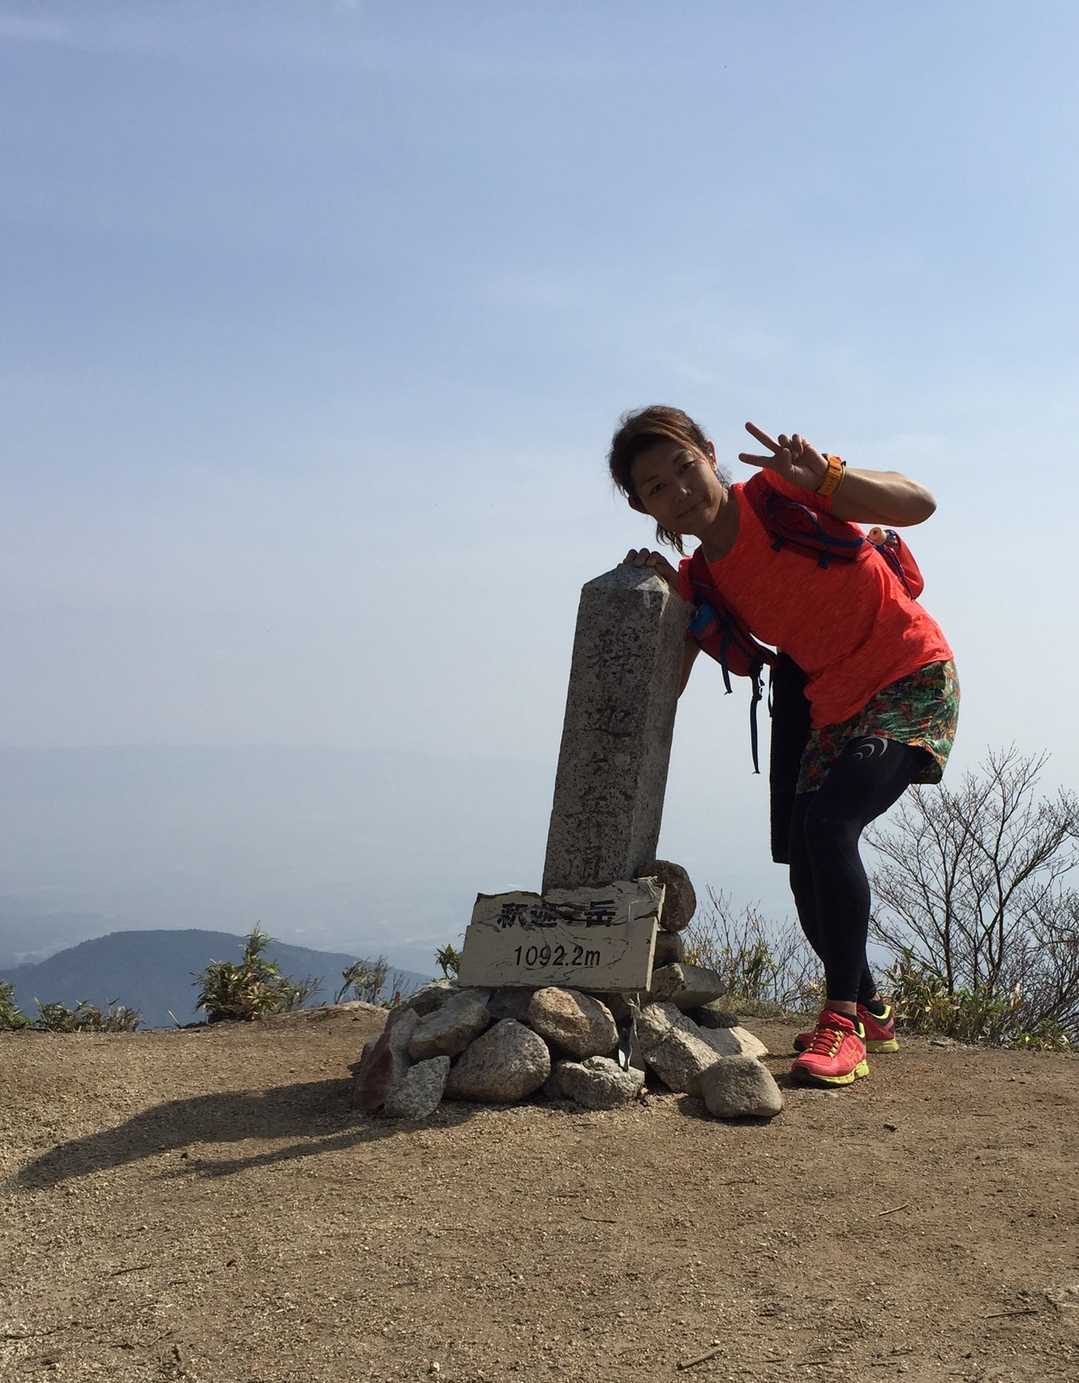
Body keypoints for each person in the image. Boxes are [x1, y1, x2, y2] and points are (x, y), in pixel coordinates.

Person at [609, 406, 959, 1087]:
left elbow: (919, 503)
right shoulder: (700, 579)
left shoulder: (780, 492)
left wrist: (828, 477)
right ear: (639, 505)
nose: (679, 490)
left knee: (830, 826)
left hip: (908, 673)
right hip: (832, 708)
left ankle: (843, 1020)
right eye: (656, 486)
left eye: (684, 466)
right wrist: (667, 602)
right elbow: (669, 686)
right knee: (804, 861)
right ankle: (872, 1007)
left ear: (710, 453)